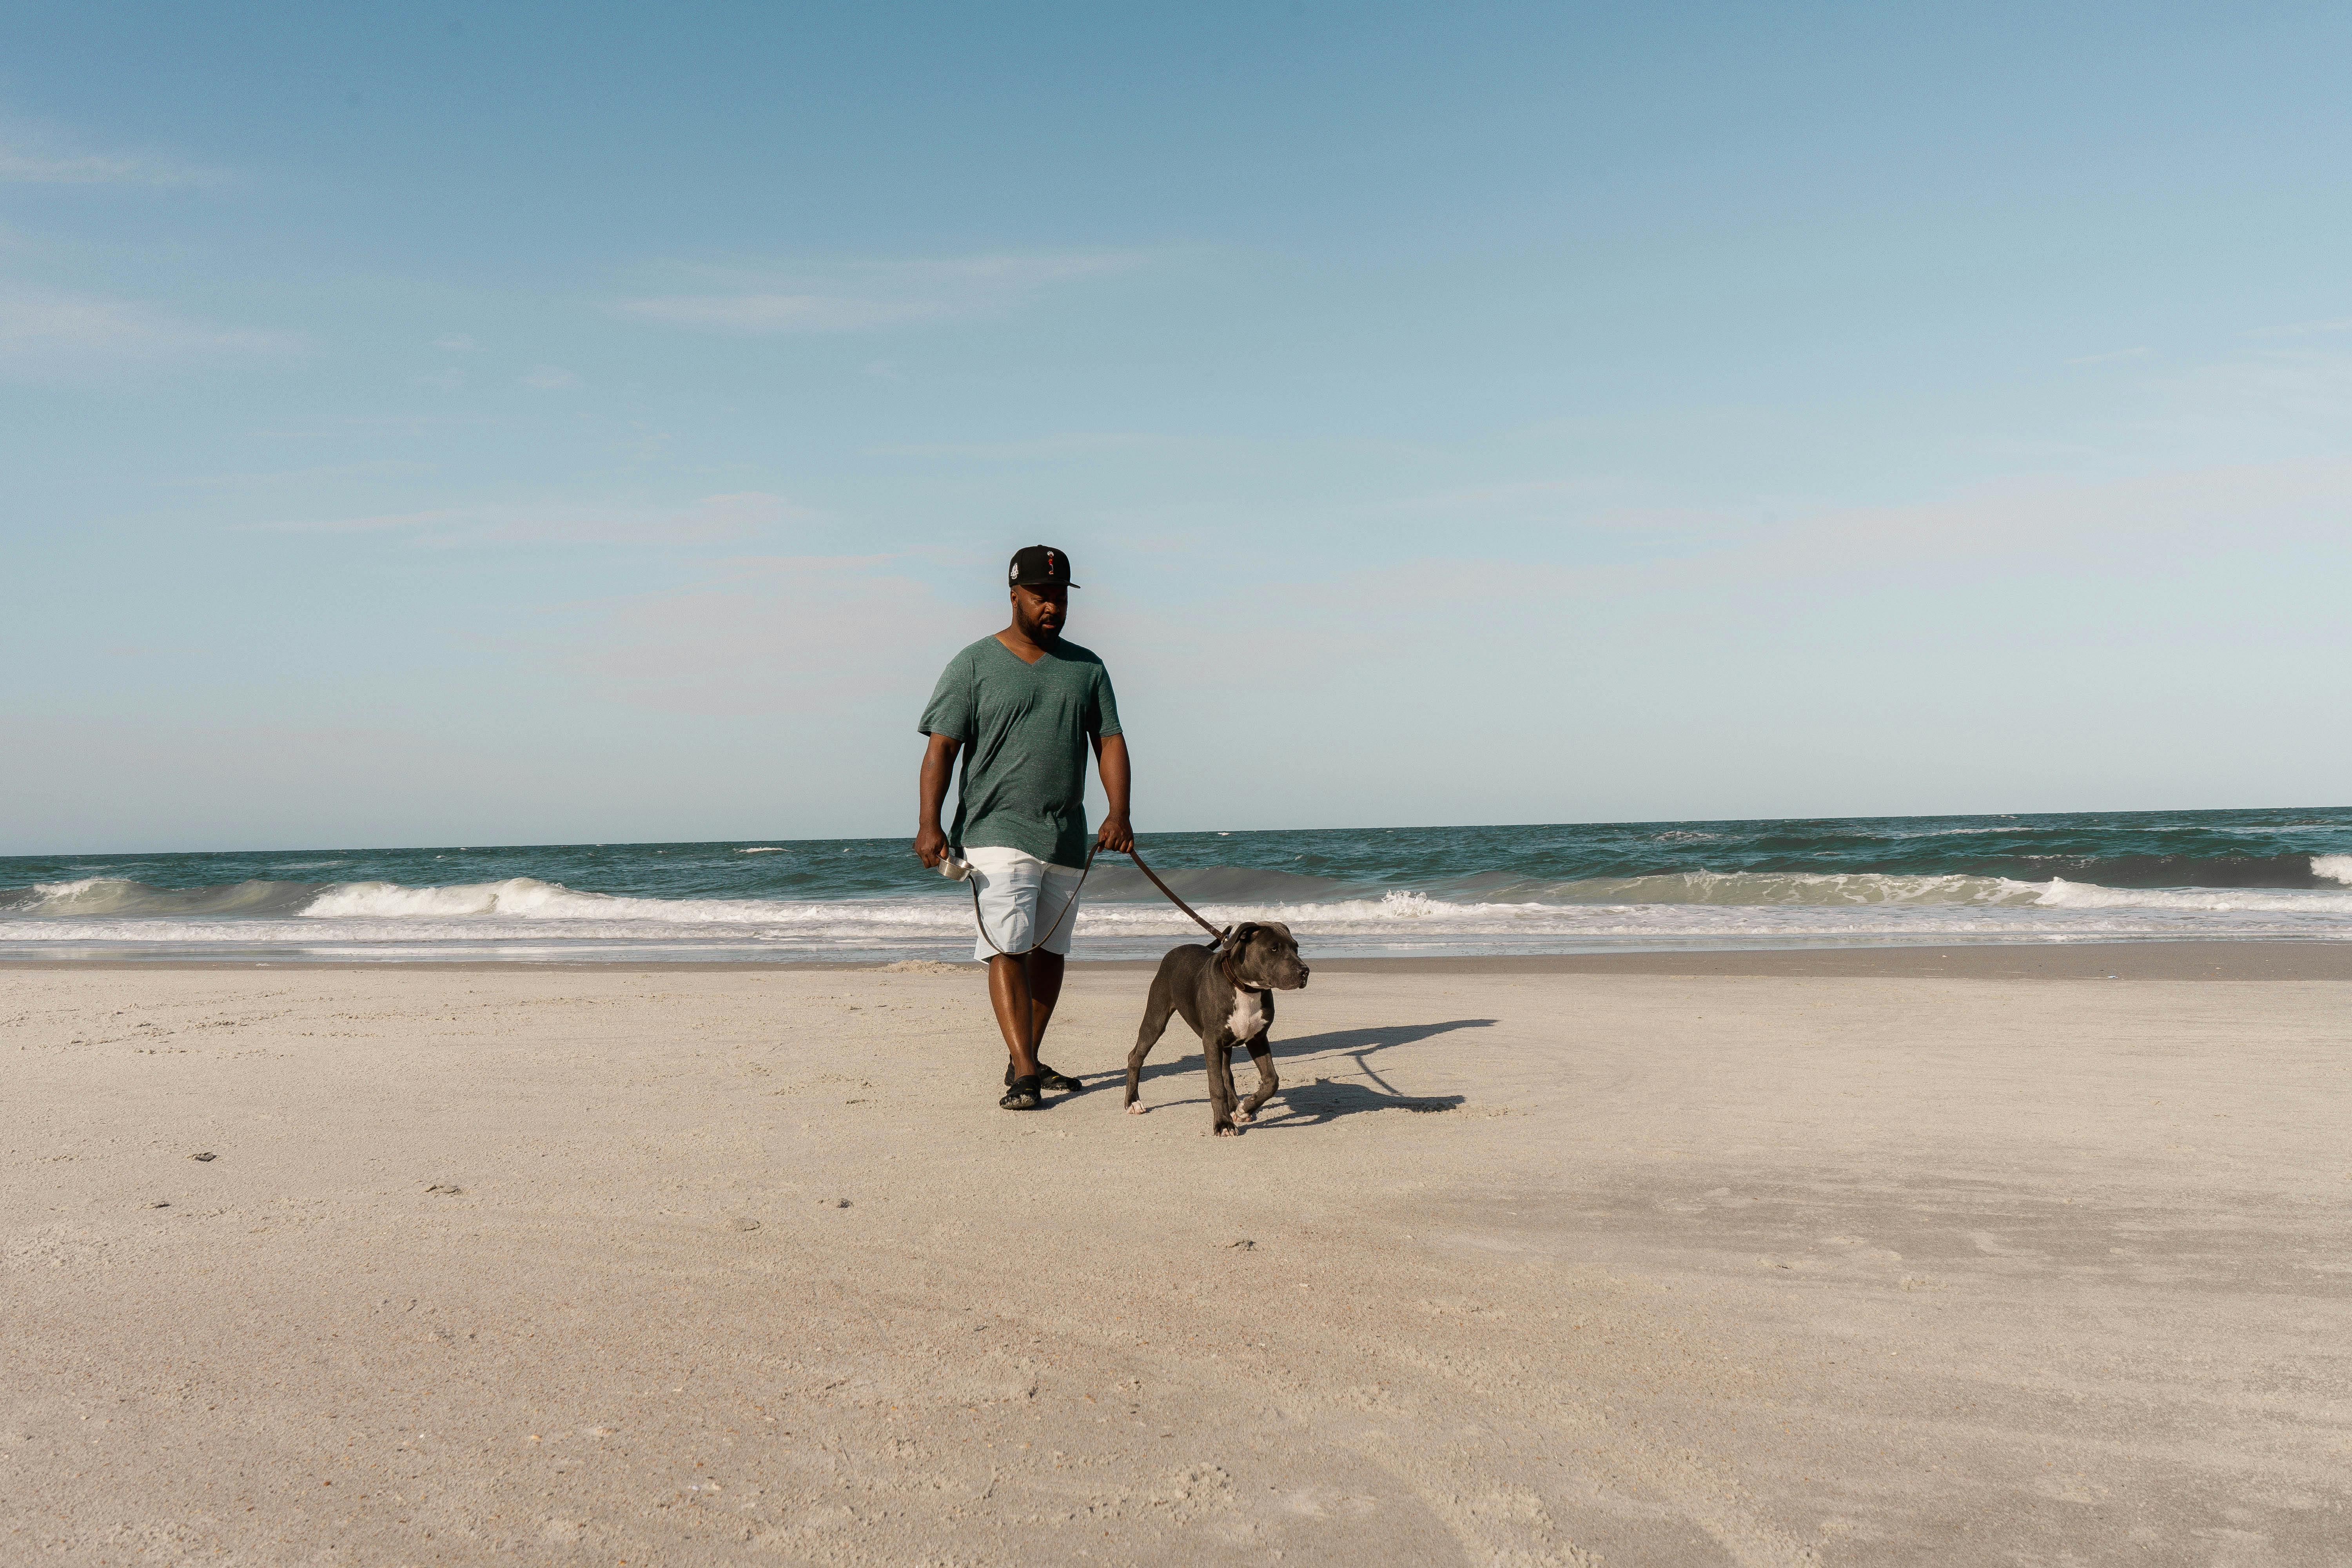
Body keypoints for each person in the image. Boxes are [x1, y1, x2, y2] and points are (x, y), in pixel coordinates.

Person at [915, 545, 1134, 1110]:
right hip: (994, 831)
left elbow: (1109, 740)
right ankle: (1025, 1071)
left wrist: (1119, 813)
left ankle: (1025, 1059)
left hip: (1065, 835)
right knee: (1006, 950)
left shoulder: (1087, 668)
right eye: (1041, 597)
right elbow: (942, 746)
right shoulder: (973, 664)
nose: (1052, 608)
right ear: (1014, 595)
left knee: (1049, 953)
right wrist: (928, 824)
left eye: (1060, 598)